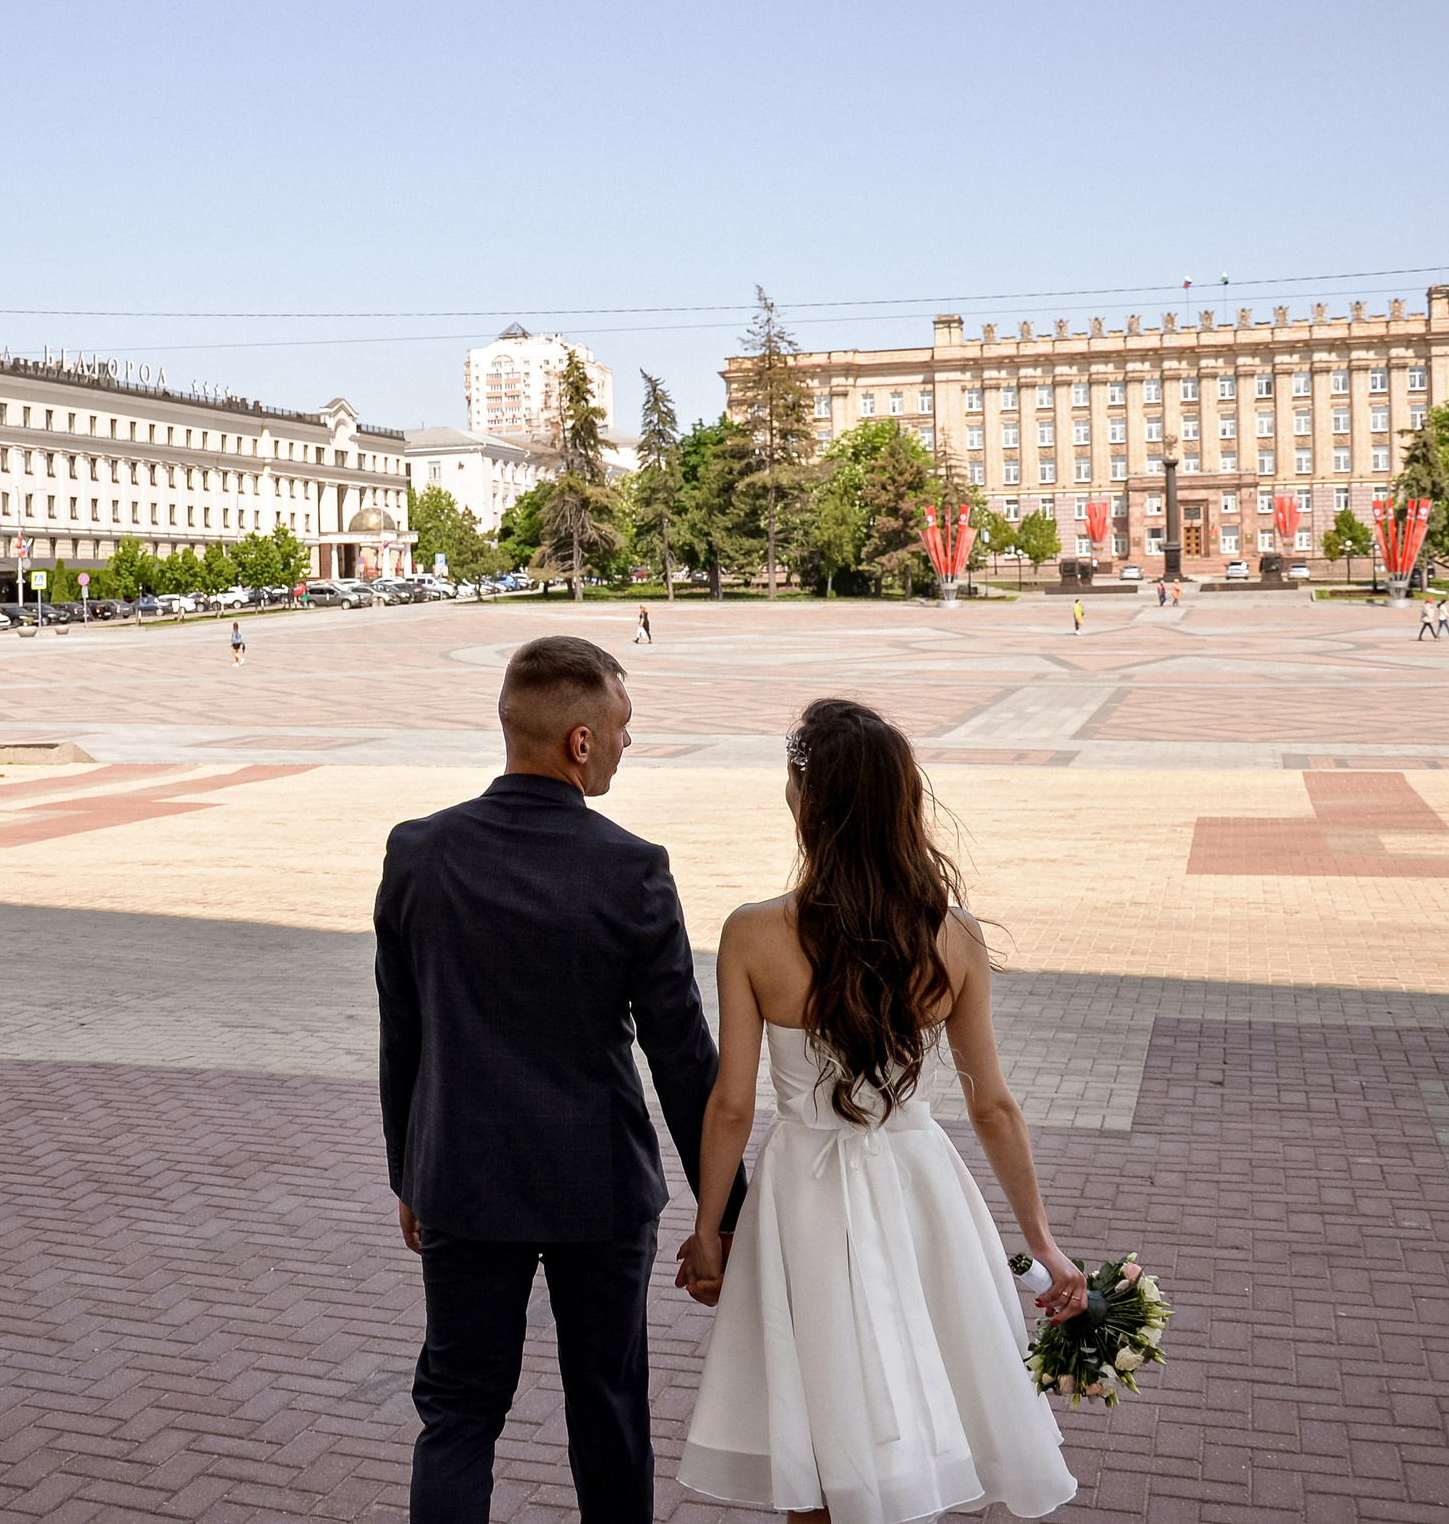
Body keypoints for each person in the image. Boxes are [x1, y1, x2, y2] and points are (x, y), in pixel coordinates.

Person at [676, 698, 1082, 1522]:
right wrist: (1043, 1240)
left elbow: (730, 1106)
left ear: (803, 802)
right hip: (919, 1184)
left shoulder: (752, 934)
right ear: (905, 803)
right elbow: (992, 1103)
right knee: (923, 1393)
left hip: (802, 1196)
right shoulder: (952, 936)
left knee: (812, 1414)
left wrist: (710, 1229)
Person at [377, 636, 745, 1524]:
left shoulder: (420, 852)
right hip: (601, 1192)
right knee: (610, 1413)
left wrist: (408, 1173)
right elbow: (683, 1055)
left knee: (458, 1417)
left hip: (462, 1179)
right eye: (622, 725)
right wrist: (723, 1215)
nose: (628, 742)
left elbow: (404, 1032)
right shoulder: (631, 868)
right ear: (579, 741)